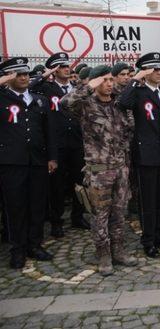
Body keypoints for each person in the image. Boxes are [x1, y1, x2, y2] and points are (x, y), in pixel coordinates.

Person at [61, 66, 137, 276]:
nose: (110, 83)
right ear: (95, 83)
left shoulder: (120, 104)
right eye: (104, 80)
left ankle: (119, 251)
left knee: (119, 212)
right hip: (99, 170)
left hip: (120, 168)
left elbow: (129, 132)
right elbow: (64, 103)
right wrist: (88, 86)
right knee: (100, 215)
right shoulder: (86, 105)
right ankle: (103, 255)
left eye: (111, 80)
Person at [118, 52, 160, 258]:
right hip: (145, 155)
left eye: (159, 68)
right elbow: (123, 103)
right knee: (148, 201)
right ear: (145, 71)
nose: (158, 71)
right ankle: (148, 240)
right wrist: (136, 78)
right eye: (153, 69)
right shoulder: (138, 92)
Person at [0, 58, 57, 269]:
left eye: (25, 74)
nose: (24, 77)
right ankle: (18, 249)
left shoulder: (39, 99)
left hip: (37, 161)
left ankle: (35, 245)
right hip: (11, 162)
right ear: (8, 77)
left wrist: (52, 157)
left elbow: (48, 132)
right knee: (15, 207)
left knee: (37, 206)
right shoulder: (2, 97)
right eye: (18, 74)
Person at [30, 52, 89, 238]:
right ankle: (57, 222)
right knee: (56, 185)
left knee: (79, 181)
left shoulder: (76, 87)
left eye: (66, 65)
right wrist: (45, 74)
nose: (66, 68)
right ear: (54, 70)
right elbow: (30, 87)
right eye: (61, 66)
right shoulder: (46, 88)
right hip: (57, 143)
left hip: (77, 141)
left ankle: (78, 216)